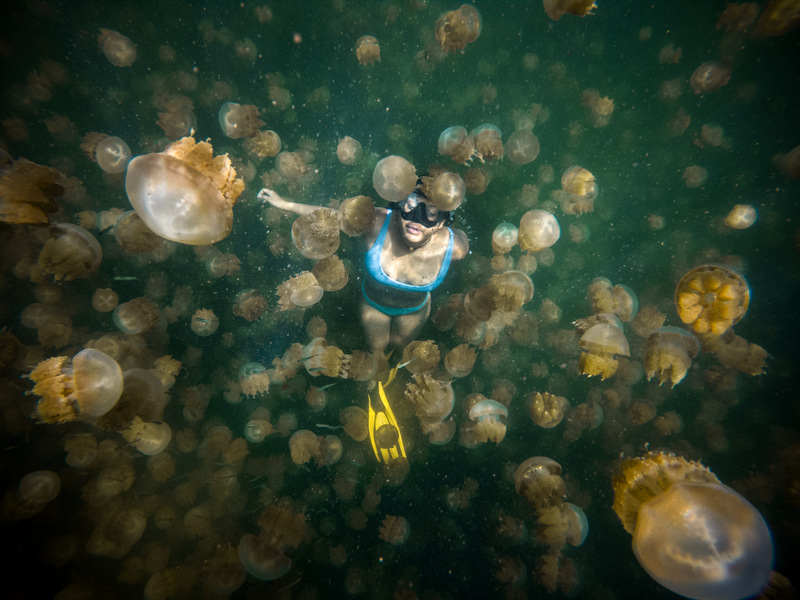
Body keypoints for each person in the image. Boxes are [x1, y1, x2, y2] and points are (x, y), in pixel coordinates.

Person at [258, 183, 469, 353]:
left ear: (442, 223)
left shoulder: (456, 247)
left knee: (401, 347)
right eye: (411, 204)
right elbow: (331, 217)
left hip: (415, 310)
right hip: (373, 306)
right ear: (399, 205)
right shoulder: (376, 222)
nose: (417, 218)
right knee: (377, 350)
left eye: (431, 212)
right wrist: (285, 204)